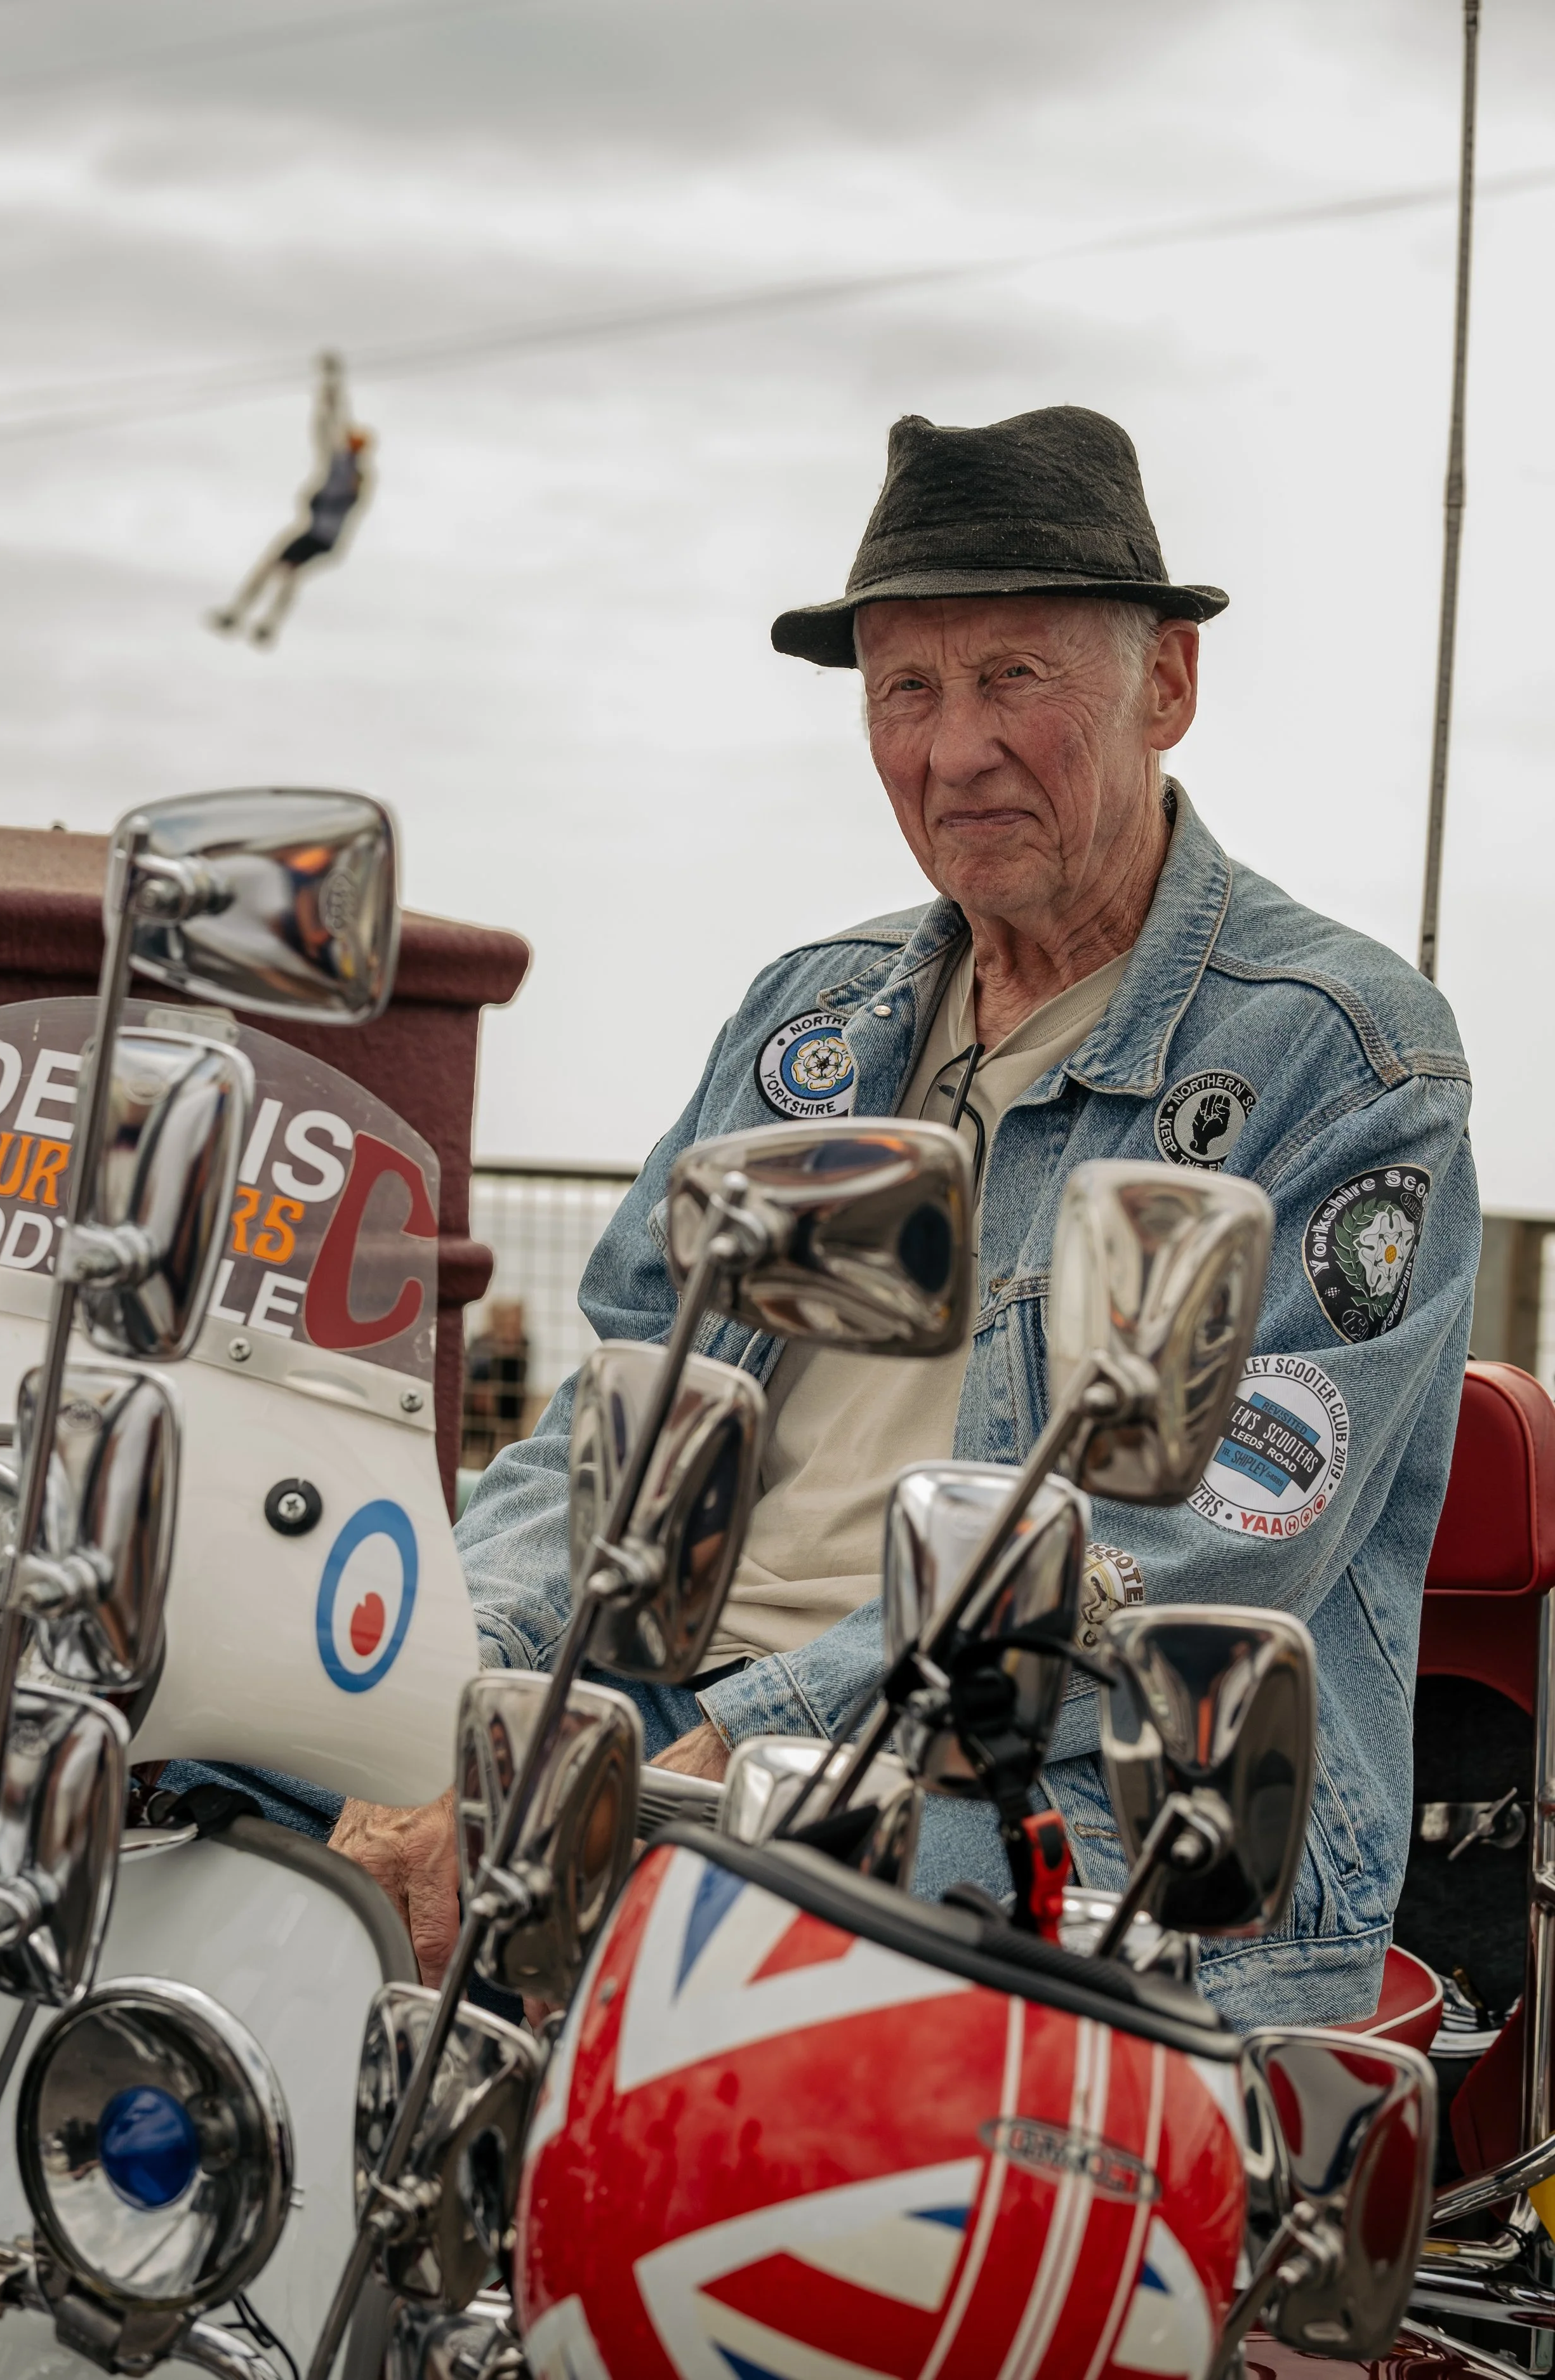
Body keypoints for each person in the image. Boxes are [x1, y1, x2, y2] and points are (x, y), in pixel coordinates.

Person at [330, 404, 1479, 2029]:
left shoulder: (1339, 1056)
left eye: (1013, 676)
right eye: (906, 689)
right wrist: (432, 1690)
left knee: (651, 1923)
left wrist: (684, 1767)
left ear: (1168, 684)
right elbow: (620, 1405)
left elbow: (1171, 1553)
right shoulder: (810, 1017)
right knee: (218, 1791)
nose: (952, 749)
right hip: (685, 1715)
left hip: (1064, 1802)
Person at [209, 352, 374, 646]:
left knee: (286, 573)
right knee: (272, 568)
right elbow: (335, 421)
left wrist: (333, 387)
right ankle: (242, 615)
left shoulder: (355, 475)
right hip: (314, 532)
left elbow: (338, 428)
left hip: (320, 536)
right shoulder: (341, 463)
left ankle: (265, 623)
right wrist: (331, 385)